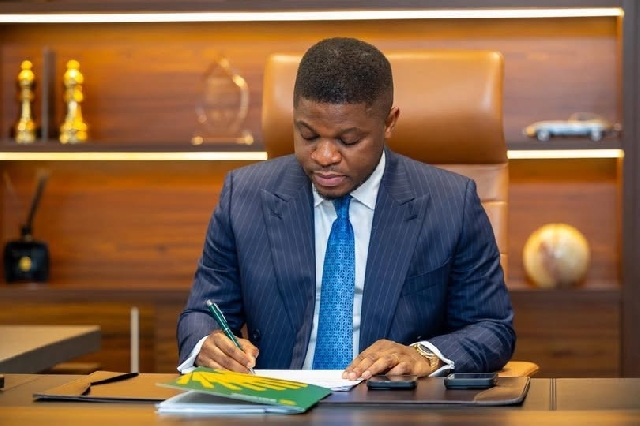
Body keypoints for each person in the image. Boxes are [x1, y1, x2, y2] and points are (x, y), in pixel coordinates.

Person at [177, 37, 515, 381]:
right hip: (279, 400)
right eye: (308, 135)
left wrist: (423, 355)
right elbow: (202, 314)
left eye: (348, 140)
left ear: (389, 122)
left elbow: (492, 327)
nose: (325, 156)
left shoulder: (451, 202)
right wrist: (207, 343)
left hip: (390, 402)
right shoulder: (244, 196)